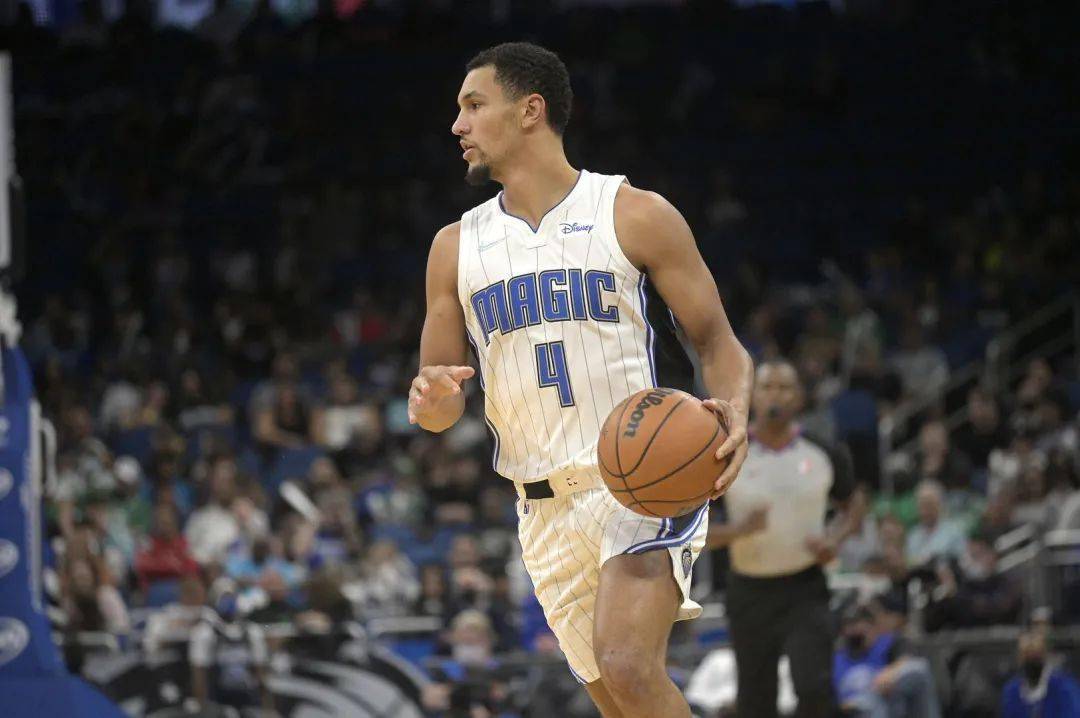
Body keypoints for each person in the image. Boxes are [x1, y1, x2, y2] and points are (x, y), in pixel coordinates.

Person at [408, 42, 753, 718]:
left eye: (474, 105)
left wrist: (734, 407)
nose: (458, 124)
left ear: (530, 110)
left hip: (643, 475)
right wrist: (433, 399)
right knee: (618, 700)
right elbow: (436, 411)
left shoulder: (634, 213)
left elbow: (717, 340)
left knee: (627, 664)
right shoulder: (454, 247)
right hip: (541, 506)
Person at [707, 360, 858, 718]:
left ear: (800, 397)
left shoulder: (823, 451)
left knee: (815, 688)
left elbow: (854, 504)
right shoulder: (726, 454)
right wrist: (739, 530)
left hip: (805, 588)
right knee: (755, 702)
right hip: (749, 592)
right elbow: (697, 531)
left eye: (785, 387)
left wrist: (834, 539)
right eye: (767, 387)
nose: (776, 395)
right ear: (752, 396)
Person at [833, 605, 940, 718]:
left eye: (857, 625)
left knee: (919, 669)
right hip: (853, 709)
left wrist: (891, 672)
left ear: (872, 627)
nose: (853, 630)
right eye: (849, 625)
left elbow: (908, 658)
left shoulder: (888, 644)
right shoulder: (838, 657)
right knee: (867, 703)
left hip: (886, 704)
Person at [1000, 630, 1080, 718]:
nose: (1031, 659)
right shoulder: (1012, 692)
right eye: (1026, 654)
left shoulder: (1065, 687)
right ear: (1019, 658)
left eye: (1035, 654)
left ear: (1045, 655)